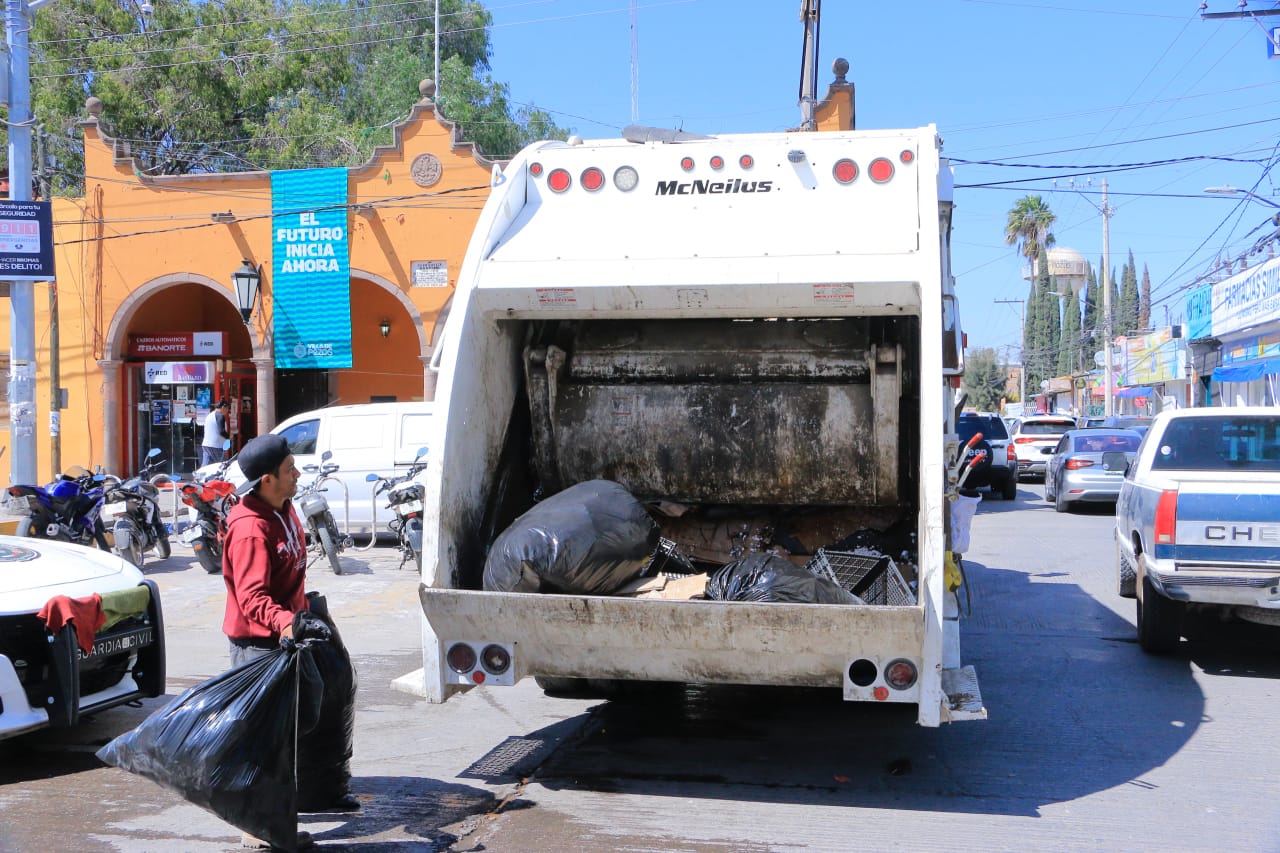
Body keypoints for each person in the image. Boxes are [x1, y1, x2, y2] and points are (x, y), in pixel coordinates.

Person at [221, 434, 358, 849]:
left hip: (289, 638)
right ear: (266, 479)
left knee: (300, 723)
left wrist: (305, 611)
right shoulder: (249, 530)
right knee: (265, 737)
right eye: (289, 470)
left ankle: (286, 807)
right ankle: (258, 829)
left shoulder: (284, 508)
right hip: (259, 648)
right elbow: (251, 598)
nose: (297, 474)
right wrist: (287, 621)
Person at [201, 399, 231, 467]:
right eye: (227, 409)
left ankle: (199, 477)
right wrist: (229, 437)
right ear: (223, 407)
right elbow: (221, 431)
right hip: (216, 446)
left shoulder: (210, 415)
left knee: (205, 467)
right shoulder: (220, 416)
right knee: (223, 466)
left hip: (206, 444)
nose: (227, 411)